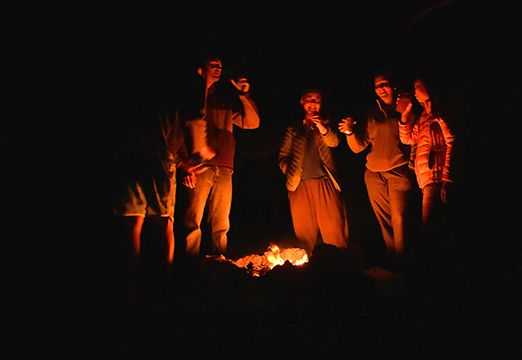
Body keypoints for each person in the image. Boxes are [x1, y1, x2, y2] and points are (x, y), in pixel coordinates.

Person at [111, 82, 207, 305]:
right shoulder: (178, 80)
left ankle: (132, 288)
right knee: (162, 222)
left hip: (128, 147)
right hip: (156, 151)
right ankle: (161, 288)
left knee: (133, 221)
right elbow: (190, 116)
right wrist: (191, 155)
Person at [175, 51, 260, 267]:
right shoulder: (190, 97)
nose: (218, 68)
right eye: (213, 64)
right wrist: (184, 164)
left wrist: (244, 96)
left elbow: (252, 122)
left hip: (224, 167)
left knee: (221, 224)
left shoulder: (223, 99)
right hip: (198, 167)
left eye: (220, 65)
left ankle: (218, 269)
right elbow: (177, 133)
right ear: (201, 68)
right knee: (192, 222)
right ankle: (189, 269)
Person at [338, 71, 418, 272]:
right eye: (377, 85)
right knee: (385, 223)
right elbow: (358, 147)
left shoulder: (405, 108)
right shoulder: (371, 113)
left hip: (399, 172)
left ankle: (406, 269)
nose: (381, 88)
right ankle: (395, 269)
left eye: (385, 84)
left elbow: (414, 137)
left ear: (394, 86)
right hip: (374, 174)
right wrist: (349, 132)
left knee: (401, 223)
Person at [397, 76, 455, 286]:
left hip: (437, 177)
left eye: (417, 87)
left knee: (434, 230)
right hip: (426, 179)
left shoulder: (440, 113)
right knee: (431, 230)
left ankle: (442, 279)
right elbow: (407, 138)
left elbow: (452, 140)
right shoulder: (423, 116)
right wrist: (405, 115)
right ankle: (440, 277)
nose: (414, 91)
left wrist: (447, 177)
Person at [277, 88, 349, 255]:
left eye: (317, 100)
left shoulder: (327, 125)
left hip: (325, 183)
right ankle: (308, 271)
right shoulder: (293, 129)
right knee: (304, 235)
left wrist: (321, 127)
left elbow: (334, 142)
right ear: (302, 102)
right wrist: (290, 171)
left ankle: (341, 267)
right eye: (309, 99)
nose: (313, 103)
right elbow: (282, 156)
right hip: (299, 186)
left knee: (334, 231)